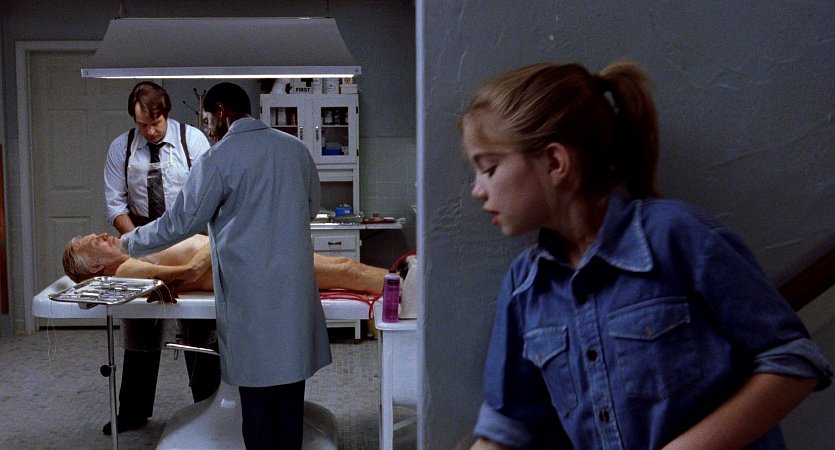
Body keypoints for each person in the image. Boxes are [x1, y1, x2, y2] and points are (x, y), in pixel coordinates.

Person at [460, 61, 833, 449]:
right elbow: (508, 425)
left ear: (555, 162)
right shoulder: (524, 286)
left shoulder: (676, 236)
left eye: (489, 168)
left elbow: (793, 362)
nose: (477, 190)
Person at [120, 81, 330, 449]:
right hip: (293, 293)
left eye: (207, 120)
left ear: (221, 112)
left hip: (250, 297)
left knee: (257, 406)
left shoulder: (218, 159)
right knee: (289, 400)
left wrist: (127, 244)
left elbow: (179, 223)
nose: (208, 130)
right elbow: (311, 208)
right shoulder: (295, 149)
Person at [101, 81, 217, 435]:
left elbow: (207, 196)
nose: (150, 132)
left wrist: (187, 245)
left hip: (188, 239)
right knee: (139, 324)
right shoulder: (121, 148)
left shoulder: (193, 140)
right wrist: (140, 242)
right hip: (141, 240)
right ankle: (133, 411)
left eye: (156, 124)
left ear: (166, 113)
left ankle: (208, 406)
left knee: (199, 326)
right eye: (143, 125)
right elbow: (116, 205)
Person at [62, 232, 390, 295]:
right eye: (95, 242)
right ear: (94, 268)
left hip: (245, 259)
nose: (103, 235)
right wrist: (219, 236)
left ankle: (403, 285)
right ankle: (406, 292)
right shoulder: (127, 270)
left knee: (345, 268)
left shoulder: (133, 253)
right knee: (345, 271)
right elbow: (188, 273)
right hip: (247, 269)